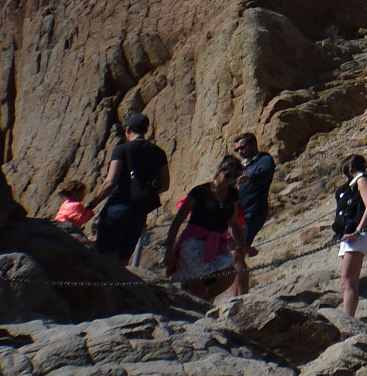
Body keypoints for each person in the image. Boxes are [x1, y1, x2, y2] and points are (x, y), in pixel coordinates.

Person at [86, 112, 169, 268]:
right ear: (146, 130)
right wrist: (144, 191)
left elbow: (110, 182)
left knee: (107, 260)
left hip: (118, 207)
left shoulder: (122, 149)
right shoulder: (158, 153)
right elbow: (165, 185)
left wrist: (91, 204)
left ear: (128, 130)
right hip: (139, 211)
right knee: (123, 262)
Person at [163, 157, 250, 300]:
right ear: (219, 171)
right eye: (228, 175)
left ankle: (205, 301)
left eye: (235, 176)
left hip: (217, 243)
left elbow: (232, 223)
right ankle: (201, 304)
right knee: (197, 285)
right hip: (193, 243)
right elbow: (177, 222)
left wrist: (243, 245)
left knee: (229, 274)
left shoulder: (233, 194)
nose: (230, 180)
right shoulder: (200, 192)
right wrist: (169, 251)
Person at [327, 154, 367, 318]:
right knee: (348, 281)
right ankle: (349, 316)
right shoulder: (355, 183)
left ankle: (348, 318)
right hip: (352, 235)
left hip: (358, 235)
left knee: (347, 281)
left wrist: (358, 230)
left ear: (349, 168)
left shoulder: (362, 181)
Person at [230, 132, 275, 252]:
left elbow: (266, 173)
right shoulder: (241, 166)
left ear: (254, 144)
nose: (240, 152)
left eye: (242, 147)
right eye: (237, 150)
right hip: (238, 213)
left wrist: (251, 178)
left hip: (254, 211)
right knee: (232, 245)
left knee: (239, 245)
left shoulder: (264, 160)